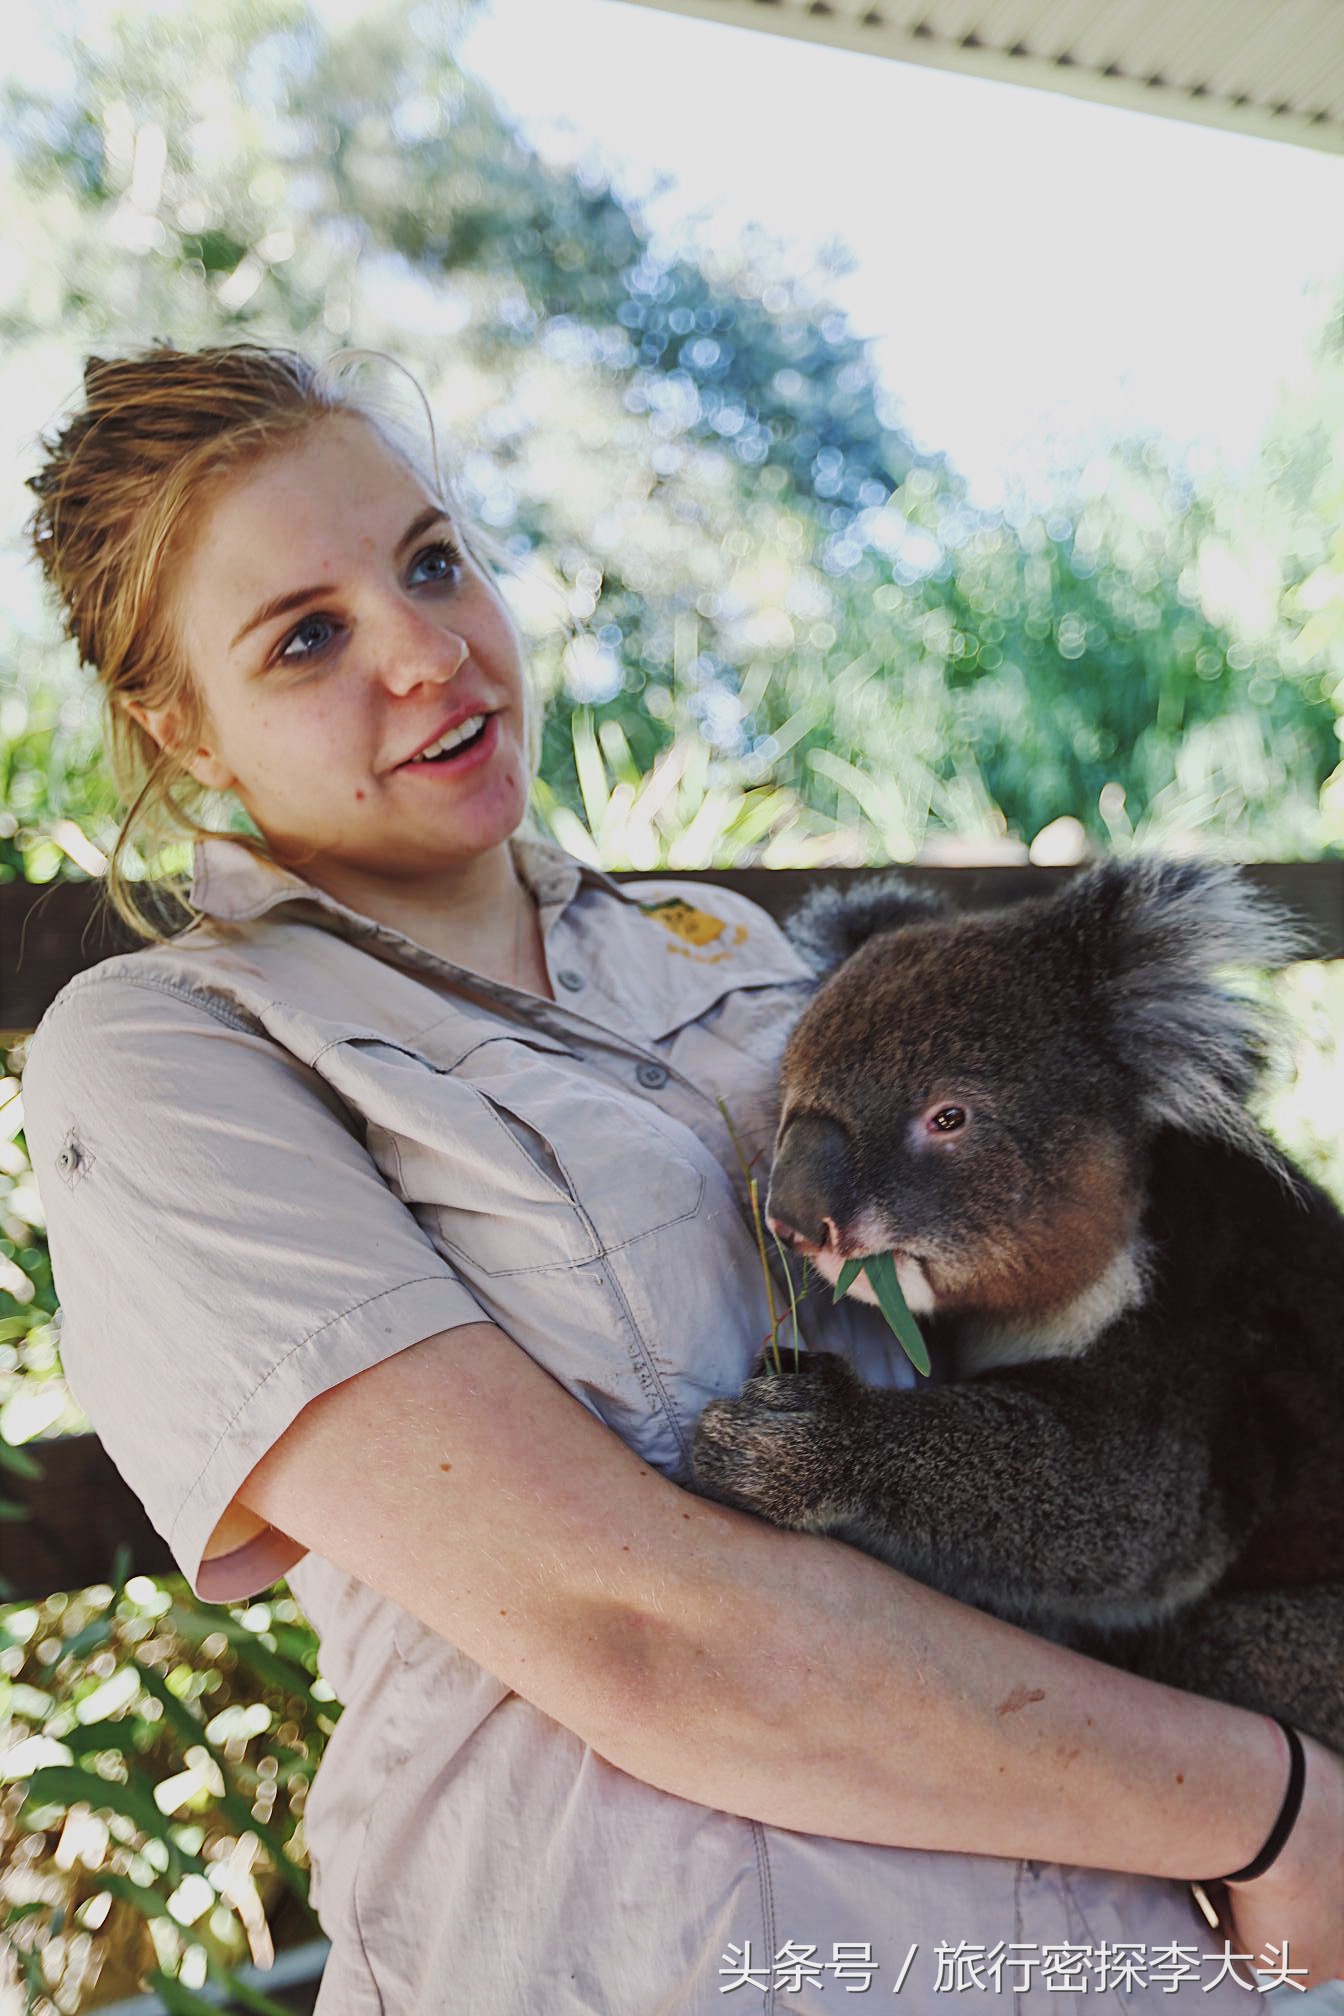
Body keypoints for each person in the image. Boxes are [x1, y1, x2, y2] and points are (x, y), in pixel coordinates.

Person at [19, 341, 1343, 2016]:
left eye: (434, 562)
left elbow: (1094, 1302)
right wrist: (1277, 1809)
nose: (430, 651)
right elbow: (641, 1632)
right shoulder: (174, 1056)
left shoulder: (746, 957)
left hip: (1119, 1936)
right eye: (307, 637)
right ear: (177, 729)